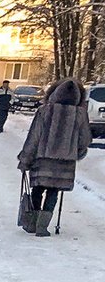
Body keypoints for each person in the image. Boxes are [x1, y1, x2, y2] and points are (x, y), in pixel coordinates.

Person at [18, 78, 91, 236]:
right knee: (53, 192)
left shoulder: (44, 111)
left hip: (42, 160)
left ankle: (32, 223)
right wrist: (75, 151)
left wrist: (25, 159)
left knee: (38, 189)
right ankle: (42, 227)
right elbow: (85, 140)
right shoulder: (79, 114)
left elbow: (34, 137)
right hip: (64, 164)